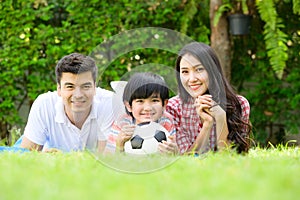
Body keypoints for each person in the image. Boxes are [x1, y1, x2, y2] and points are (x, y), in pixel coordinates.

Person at [166, 42, 252, 155]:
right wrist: (207, 124)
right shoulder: (173, 108)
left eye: (199, 69)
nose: (192, 79)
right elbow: (185, 159)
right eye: (185, 72)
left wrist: (221, 117)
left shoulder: (239, 104)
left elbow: (230, 158)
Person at [20, 53, 115, 153]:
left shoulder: (110, 103)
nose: (78, 95)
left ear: (95, 88)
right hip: (46, 146)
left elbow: (106, 157)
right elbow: (26, 154)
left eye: (85, 86)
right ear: (59, 89)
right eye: (70, 86)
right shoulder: (44, 104)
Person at [105, 72, 178, 155]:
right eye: (140, 101)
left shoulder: (166, 121)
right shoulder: (122, 122)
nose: (147, 108)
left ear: (164, 104)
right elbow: (109, 156)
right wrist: (119, 145)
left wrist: (174, 152)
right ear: (129, 106)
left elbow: (172, 152)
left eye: (154, 101)